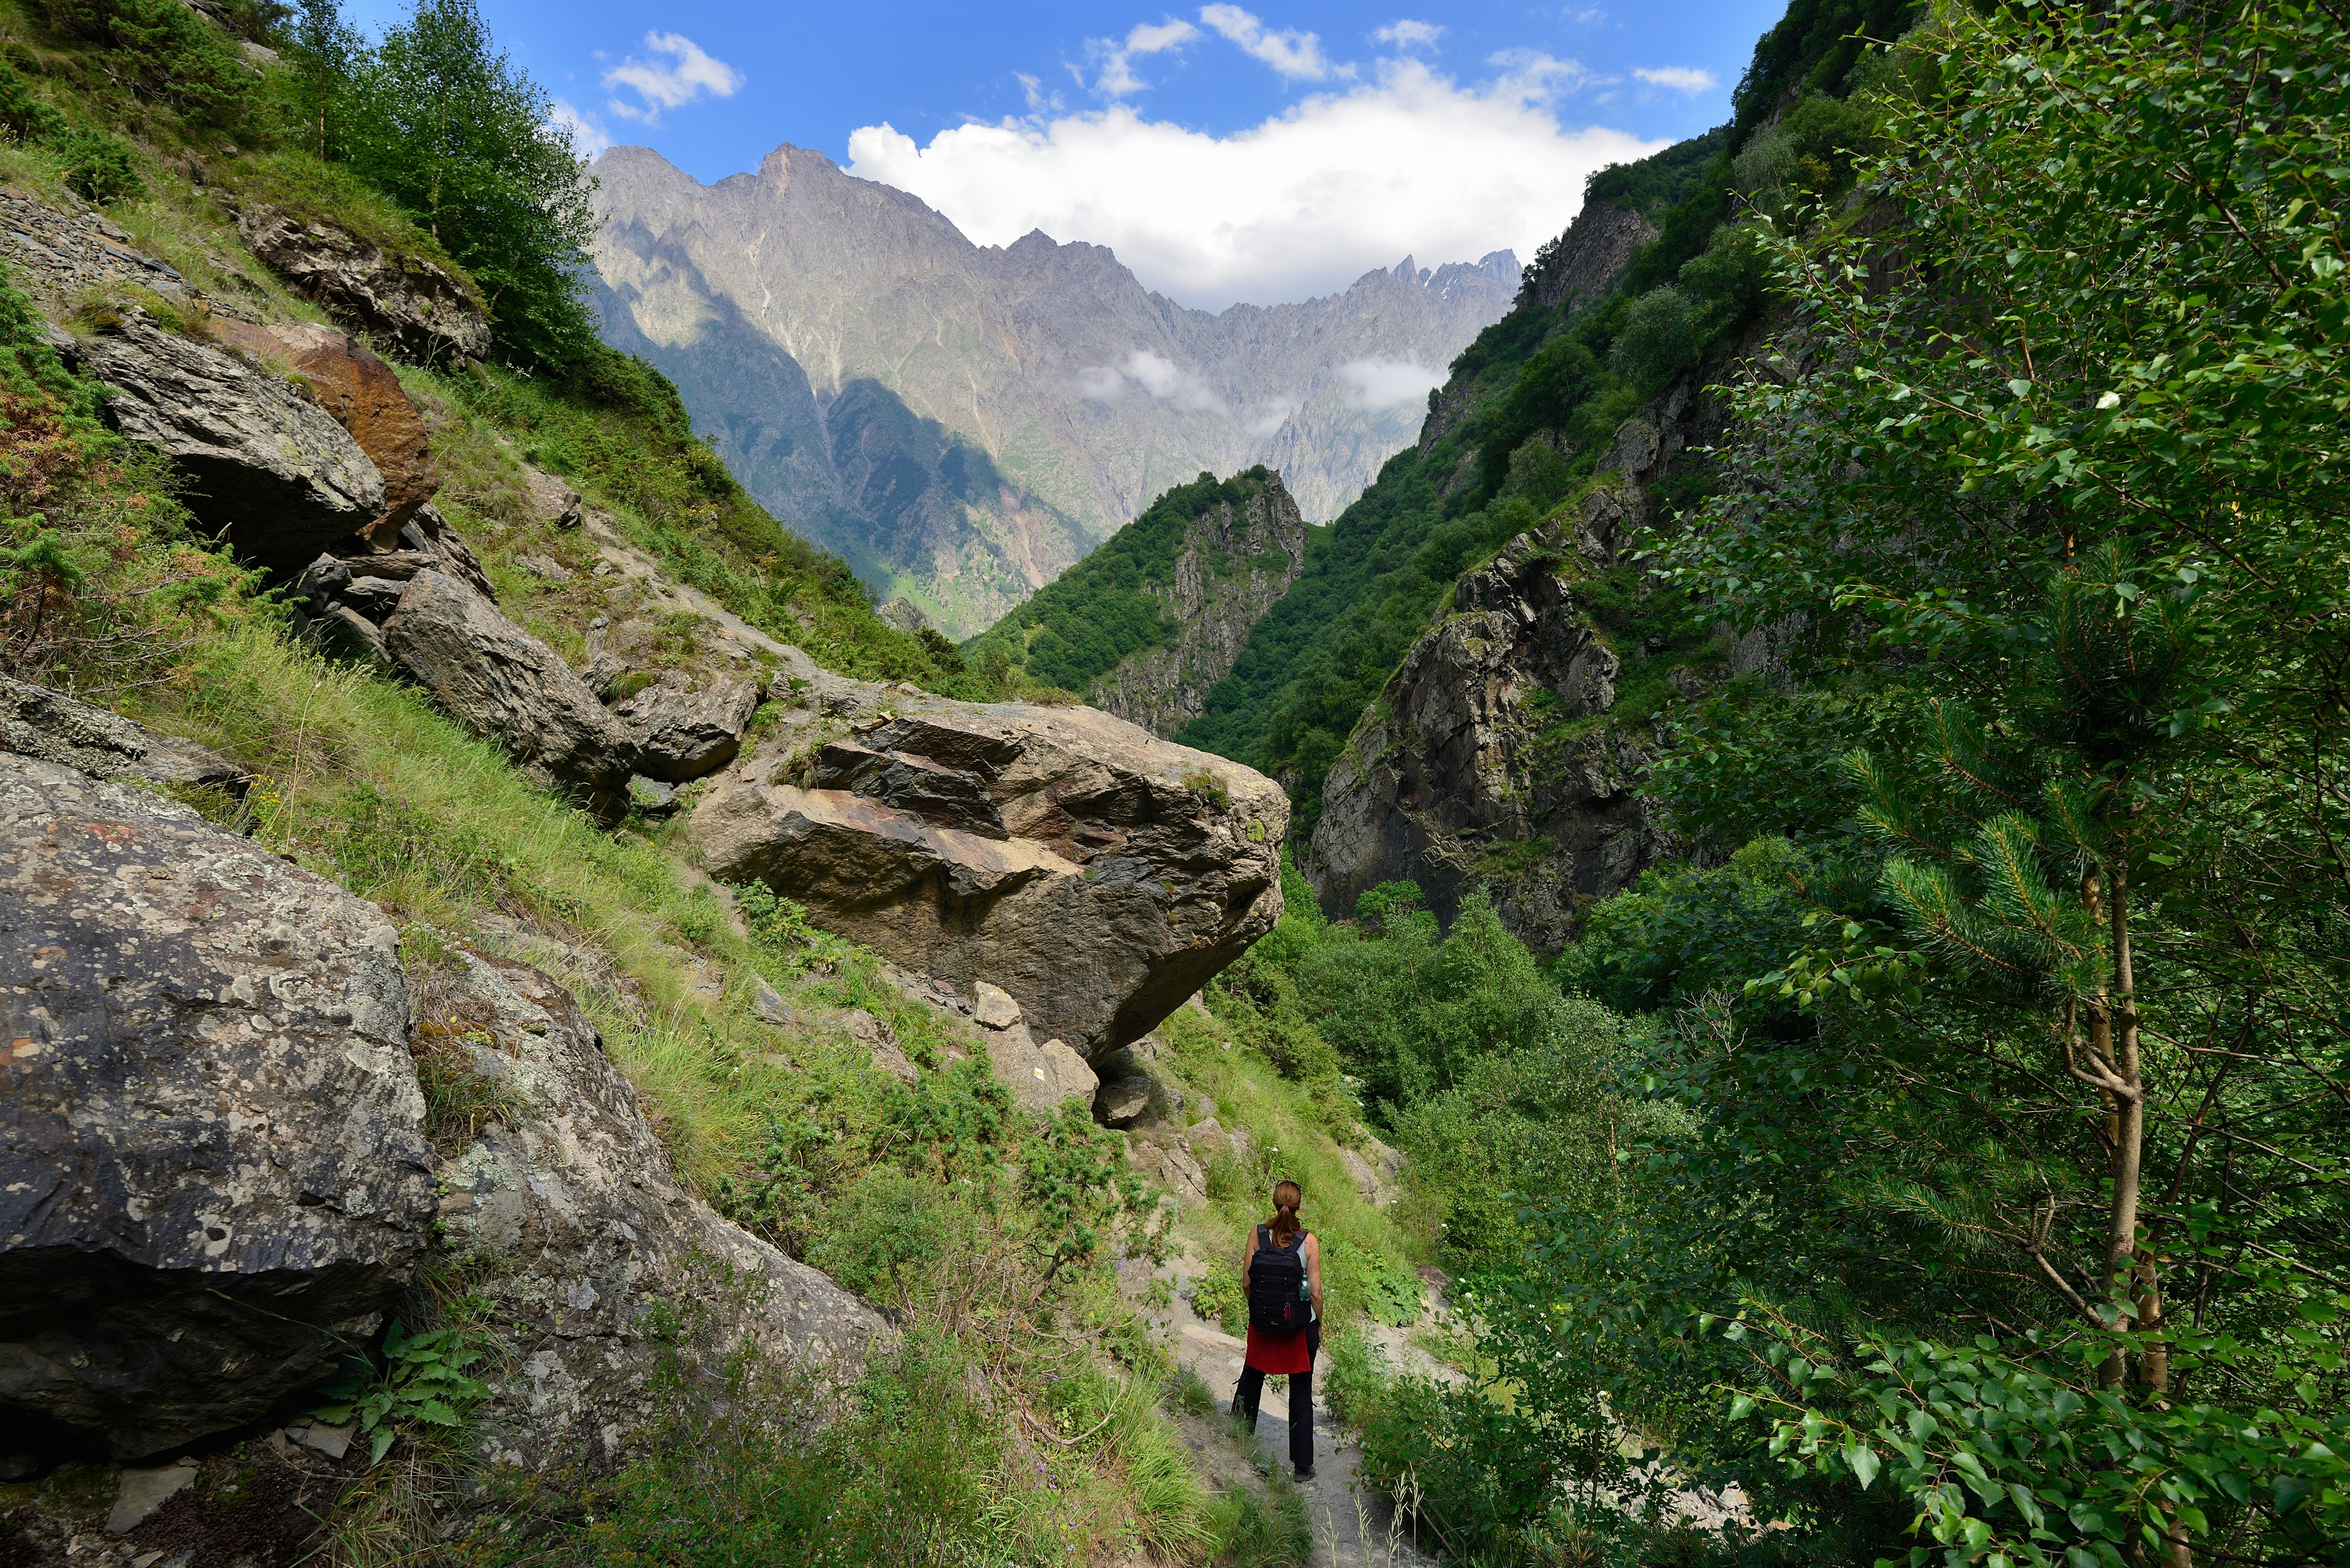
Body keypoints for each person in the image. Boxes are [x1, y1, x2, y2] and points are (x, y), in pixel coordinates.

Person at [1232, 1178, 1321, 1480]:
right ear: (1298, 1206)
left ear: (1274, 1202)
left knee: (1252, 1377)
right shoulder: (1308, 1242)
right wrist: (1318, 1322)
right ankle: (1302, 1467)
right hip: (1297, 1328)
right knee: (1300, 1390)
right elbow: (1315, 1293)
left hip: (1261, 1325)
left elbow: (1246, 1283)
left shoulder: (1257, 1235)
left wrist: (1261, 1311)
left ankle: (1236, 1442)